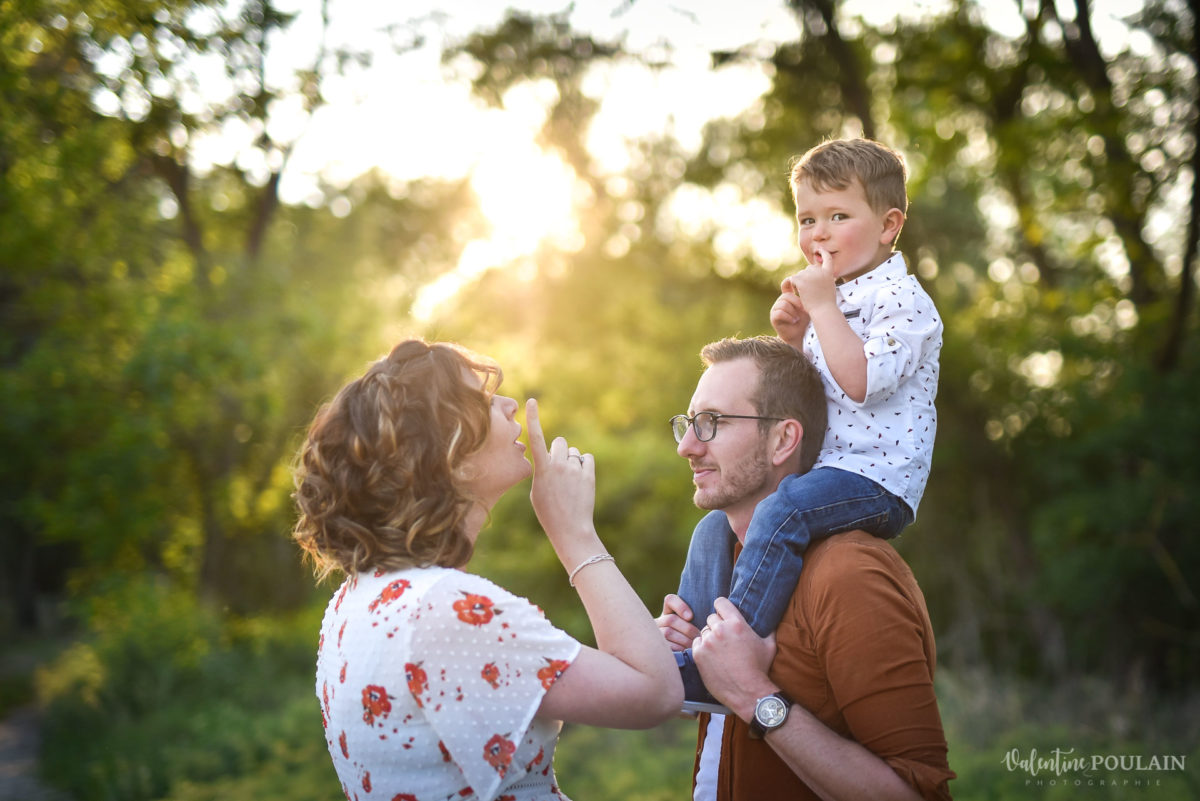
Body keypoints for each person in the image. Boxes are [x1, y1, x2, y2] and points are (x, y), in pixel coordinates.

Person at [292, 339, 682, 801]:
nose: (510, 403)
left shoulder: (358, 600)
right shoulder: (449, 611)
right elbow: (655, 694)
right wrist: (573, 532)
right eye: (481, 401)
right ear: (450, 456)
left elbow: (608, 672)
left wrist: (636, 642)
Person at [673, 138, 944, 703]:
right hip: (830, 467)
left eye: (838, 216)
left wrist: (821, 309)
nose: (818, 233)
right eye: (807, 219)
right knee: (713, 528)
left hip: (877, 478)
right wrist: (795, 339)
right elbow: (805, 396)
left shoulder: (904, 302)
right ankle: (695, 656)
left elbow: (861, 382)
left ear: (889, 225)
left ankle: (734, 649)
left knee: (782, 510)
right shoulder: (837, 297)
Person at [658, 335, 954, 800]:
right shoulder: (722, 560)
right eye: (690, 423)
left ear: (782, 440)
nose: (688, 447)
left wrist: (754, 696)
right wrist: (692, 656)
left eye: (712, 422)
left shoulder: (848, 574)